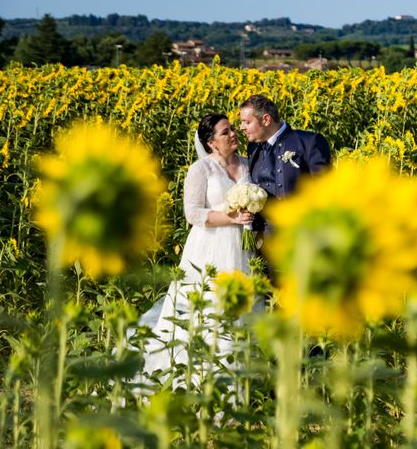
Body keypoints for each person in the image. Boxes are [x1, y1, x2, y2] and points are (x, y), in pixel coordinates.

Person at [133, 113, 255, 386]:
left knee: (243, 306)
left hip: (243, 246)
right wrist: (231, 218)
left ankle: (242, 376)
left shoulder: (248, 164)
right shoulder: (201, 170)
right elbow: (193, 213)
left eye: (233, 129)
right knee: (207, 306)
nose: (233, 134)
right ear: (211, 143)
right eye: (225, 132)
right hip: (210, 247)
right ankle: (197, 375)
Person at [239, 94, 331, 239]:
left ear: (266, 119)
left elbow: (325, 190)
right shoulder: (252, 147)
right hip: (262, 239)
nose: (241, 127)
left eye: (247, 122)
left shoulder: (309, 142)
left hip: (300, 236)